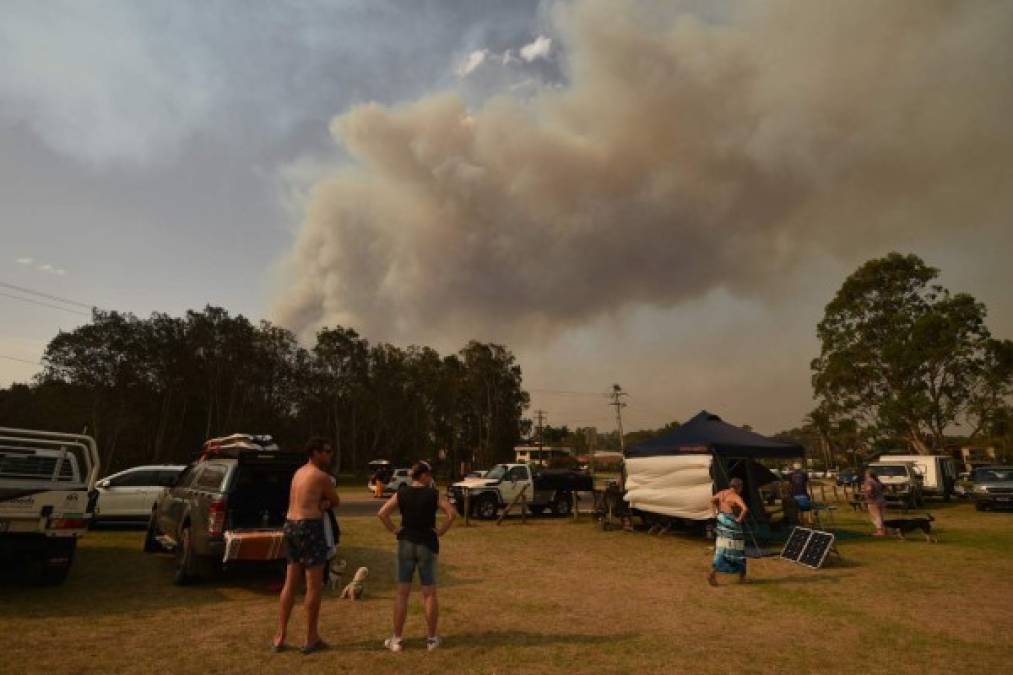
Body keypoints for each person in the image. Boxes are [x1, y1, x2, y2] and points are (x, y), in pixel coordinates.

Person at [377, 461, 456, 652]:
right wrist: (441, 531)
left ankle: (396, 639)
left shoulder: (402, 493)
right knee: (429, 594)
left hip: (406, 543)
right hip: (427, 545)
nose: (431, 477)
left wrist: (395, 530)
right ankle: (431, 639)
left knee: (402, 593)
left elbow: (382, 513)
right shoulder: (433, 494)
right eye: (429, 474)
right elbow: (452, 514)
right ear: (423, 476)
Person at [273, 437, 341, 654]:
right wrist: (326, 503)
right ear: (315, 453)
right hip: (310, 526)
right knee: (314, 586)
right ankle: (311, 638)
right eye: (327, 451)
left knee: (290, 583)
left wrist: (323, 502)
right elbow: (336, 500)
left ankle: (280, 636)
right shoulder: (322, 476)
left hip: (290, 525)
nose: (330, 455)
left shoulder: (298, 473)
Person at [708, 477, 749, 586]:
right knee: (739, 549)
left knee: (722, 549)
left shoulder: (722, 493)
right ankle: (742, 577)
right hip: (732, 525)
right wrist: (739, 519)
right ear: (739, 487)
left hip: (722, 523)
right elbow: (745, 508)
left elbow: (712, 499)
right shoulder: (735, 496)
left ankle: (713, 572)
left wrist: (715, 513)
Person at [863, 469, 887, 536]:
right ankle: (884, 530)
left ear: (868, 474)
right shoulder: (877, 481)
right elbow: (884, 487)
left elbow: (869, 489)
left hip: (873, 501)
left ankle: (880, 531)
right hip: (881, 500)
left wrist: (869, 496)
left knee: (875, 517)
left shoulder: (869, 481)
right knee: (881, 516)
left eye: (866, 474)